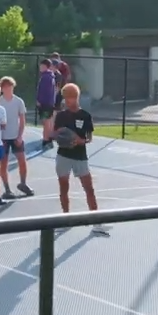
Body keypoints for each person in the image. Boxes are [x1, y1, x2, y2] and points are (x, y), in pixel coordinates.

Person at [53, 83, 108, 236]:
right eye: (65, 98)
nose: (67, 101)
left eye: (70, 98)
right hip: (63, 155)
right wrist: (61, 137)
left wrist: (79, 140)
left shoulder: (85, 116)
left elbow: (89, 138)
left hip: (80, 156)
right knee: (63, 188)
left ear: (76, 97)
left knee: (89, 188)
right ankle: (66, 219)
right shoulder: (61, 116)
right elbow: (55, 134)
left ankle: (96, 222)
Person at [0, 76, 34, 199]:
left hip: (15, 136)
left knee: (22, 160)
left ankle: (23, 183)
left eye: (10, 87)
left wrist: (20, 136)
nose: (9, 89)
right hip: (3, 138)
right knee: (3, 163)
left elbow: (22, 120)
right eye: (6, 87)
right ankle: (7, 189)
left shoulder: (19, 101)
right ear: (2, 88)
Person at [37, 59, 58, 149]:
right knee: (48, 121)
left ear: (46, 66)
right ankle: (48, 138)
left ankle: (46, 139)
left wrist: (40, 100)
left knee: (46, 121)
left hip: (45, 103)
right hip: (49, 103)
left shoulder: (46, 77)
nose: (40, 67)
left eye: (42, 66)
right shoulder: (50, 76)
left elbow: (44, 91)